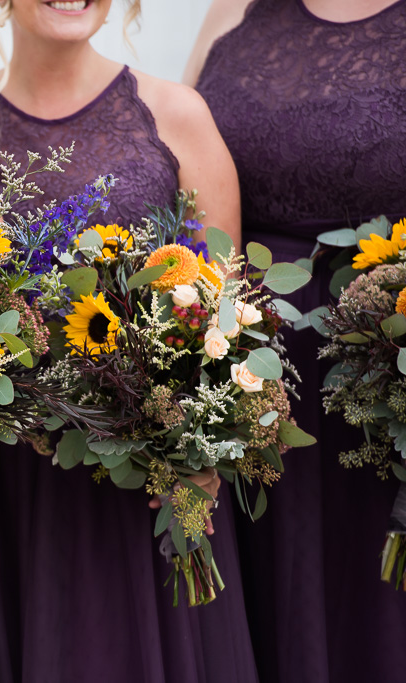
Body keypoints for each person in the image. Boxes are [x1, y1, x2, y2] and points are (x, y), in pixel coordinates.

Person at [0, 1, 254, 681]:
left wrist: (207, 446)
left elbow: (228, 315)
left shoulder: (176, 115)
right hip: (13, 488)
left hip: (146, 488)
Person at [188, 1, 406, 681]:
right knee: (267, 609)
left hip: (378, 382)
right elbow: (182, 173)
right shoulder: (233, 10)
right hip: (253, 383)